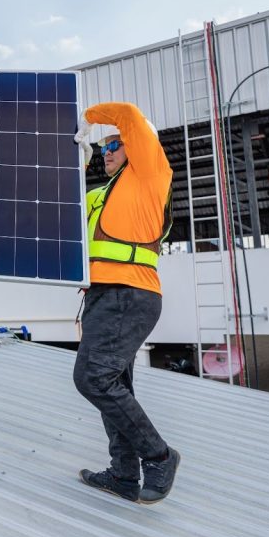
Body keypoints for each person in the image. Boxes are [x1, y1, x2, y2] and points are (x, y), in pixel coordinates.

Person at [73, 101, 180, 505]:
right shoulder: (100, 195)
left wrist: (89, 118)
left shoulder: (151, 174)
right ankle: (123, 474)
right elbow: (62, 212)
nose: (106, 151)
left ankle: (160, 456)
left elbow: (131, 117)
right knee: (114, 386)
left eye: (114, 145)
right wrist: (77, 163)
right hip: (104, 296)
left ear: (137, 145)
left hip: (129, 294)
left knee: (92, 379)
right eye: (102, 147)